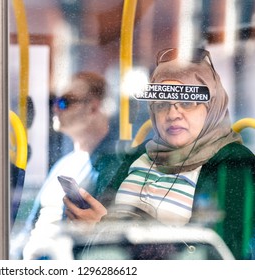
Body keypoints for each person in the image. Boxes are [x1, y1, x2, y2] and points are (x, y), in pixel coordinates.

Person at [63, 48, 255, 260]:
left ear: (211, 107)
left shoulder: (234, 164)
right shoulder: (138, 155)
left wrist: (105, 231)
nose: (173, 114)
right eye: (163, 104)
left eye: (187, 103)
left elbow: (220, 255)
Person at [19, 71, 121, 259]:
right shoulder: (64, 164)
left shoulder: (114, 166)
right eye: (54, 102)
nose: (56, 109)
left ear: (93, 108)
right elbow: (29, 226)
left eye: (65, 102)